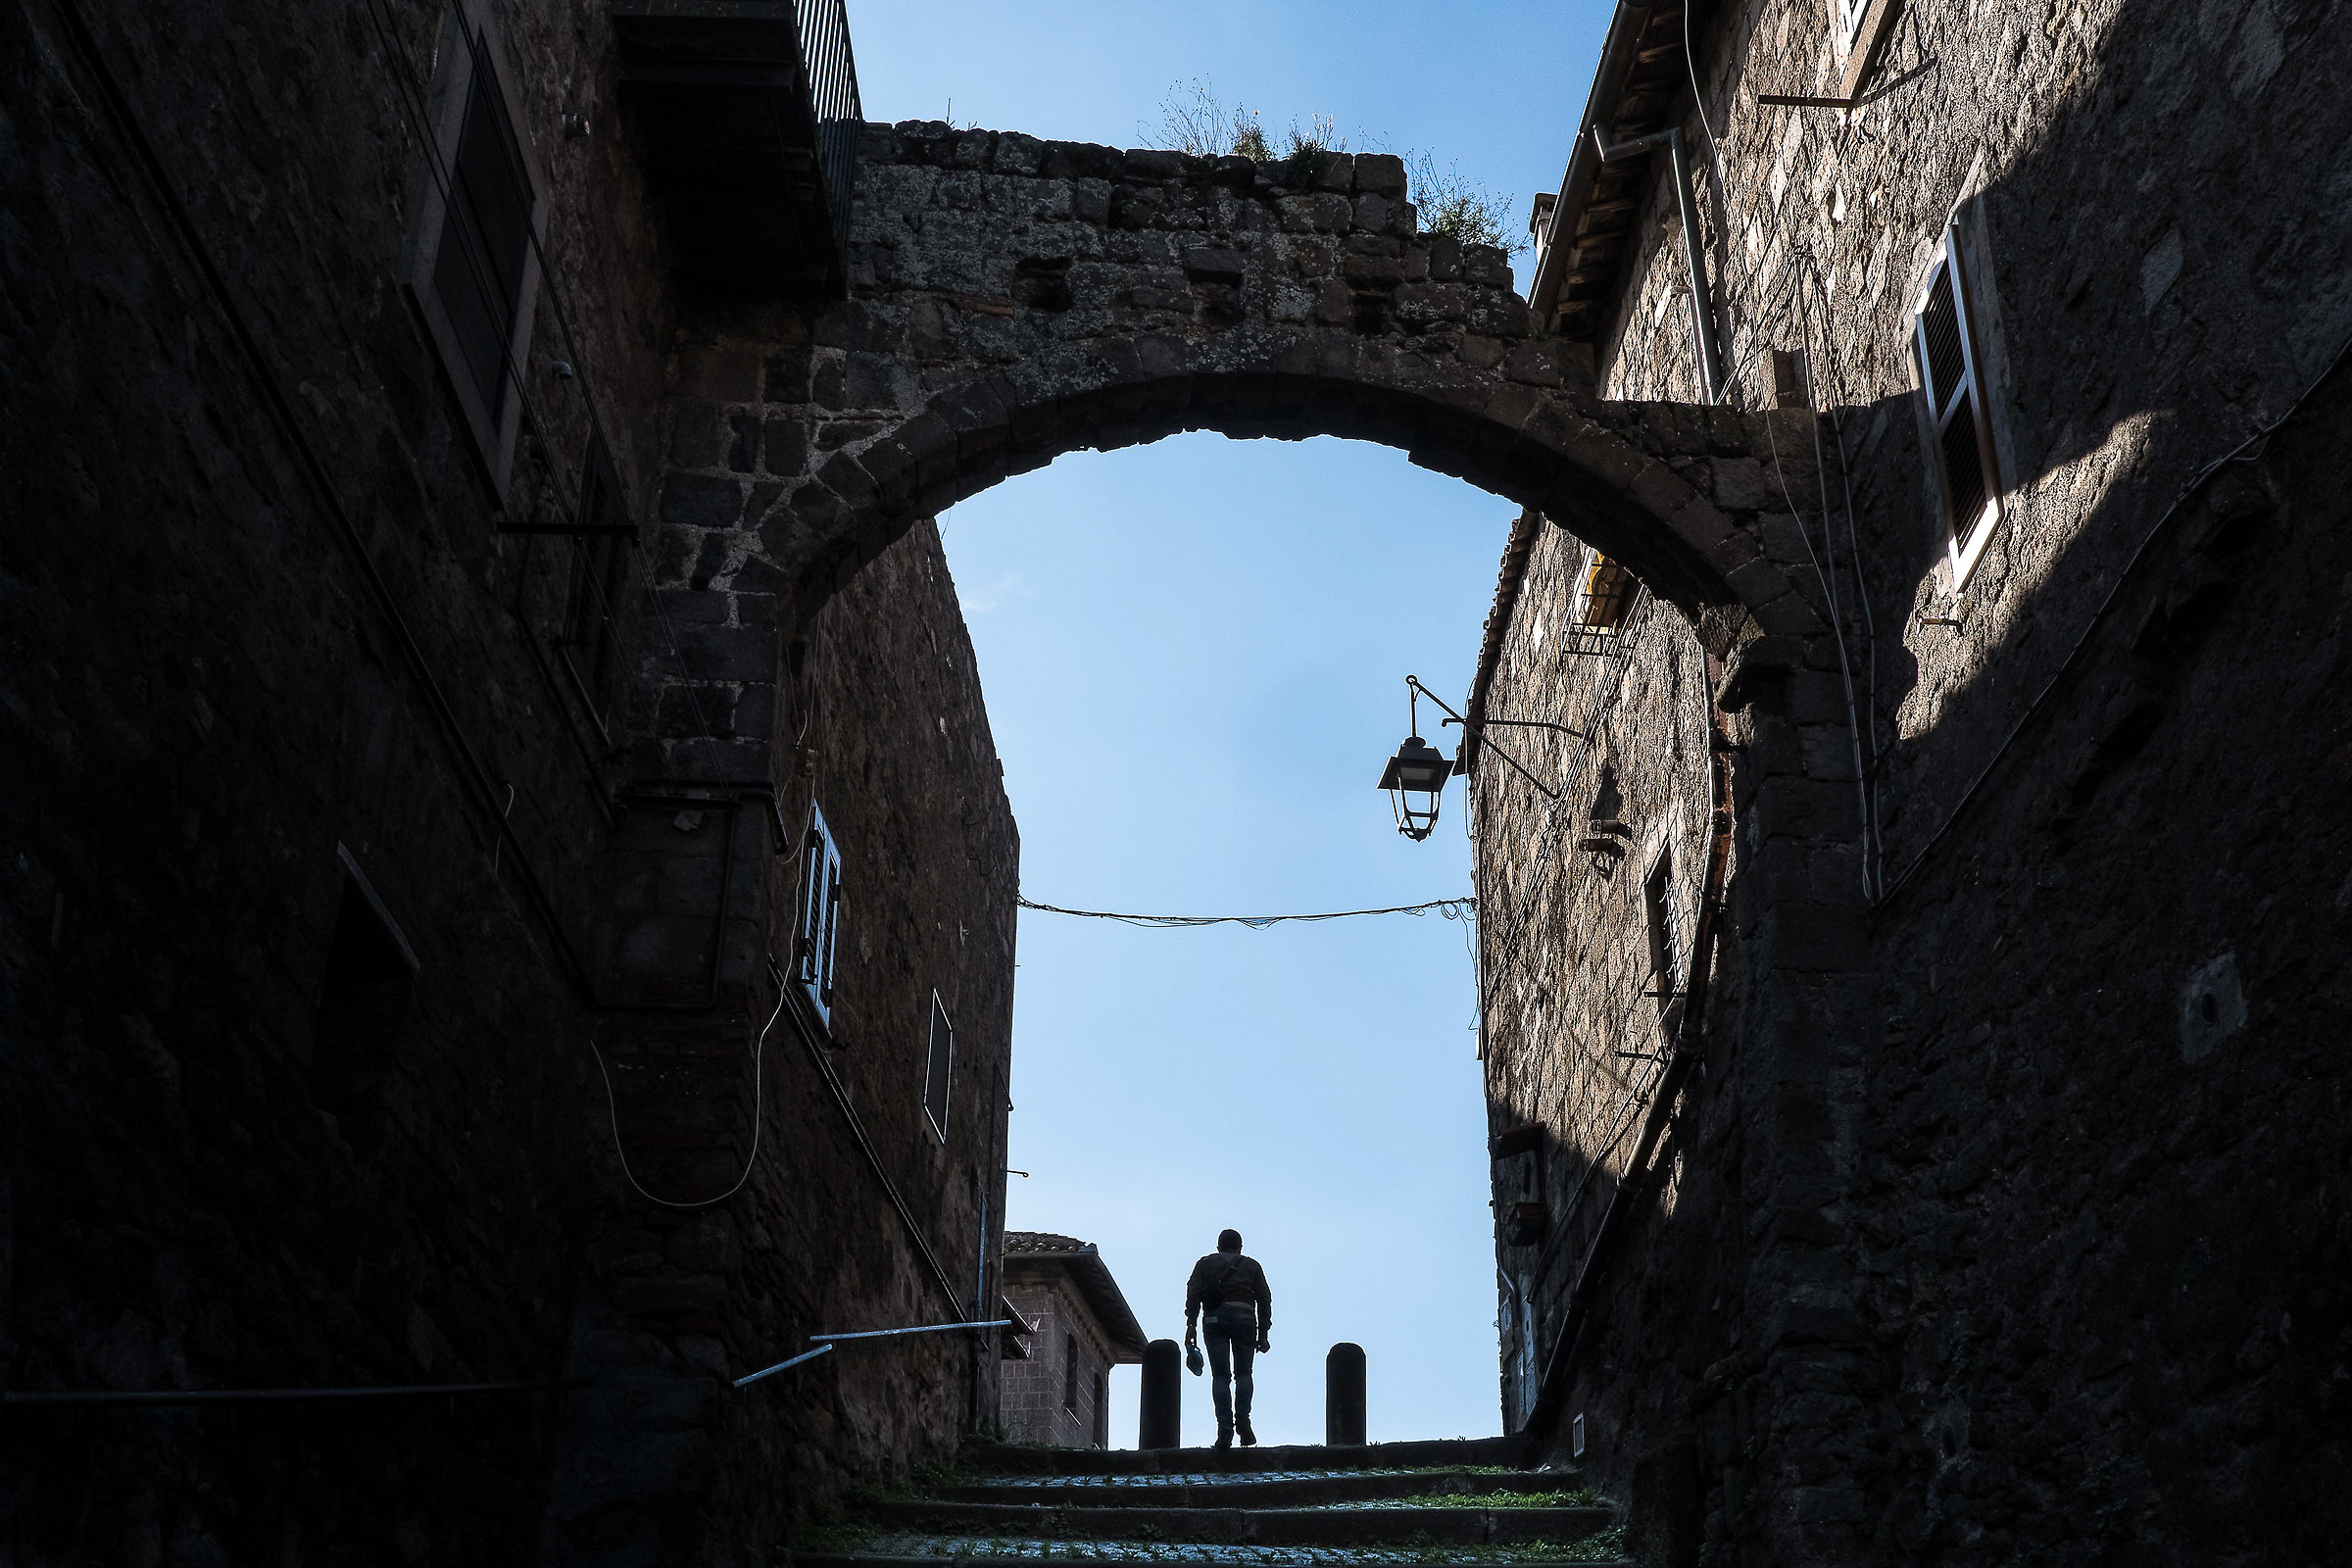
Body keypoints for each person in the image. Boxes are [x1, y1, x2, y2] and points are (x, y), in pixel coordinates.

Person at [1184, 1227, 1272, 1447]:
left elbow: (1193, 1292)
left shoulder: (1205, 1263)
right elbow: (1264, 1298)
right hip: (1245, 1318)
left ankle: (1224, 1429)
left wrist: (1191, 1324)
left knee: (1220, 1376)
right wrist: (1263, 1334)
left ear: (1218, 1247)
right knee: (1244, 1373)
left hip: (1214, 1320)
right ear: (1240, 1248)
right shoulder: (1252, 1266)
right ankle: (1243, 1420)